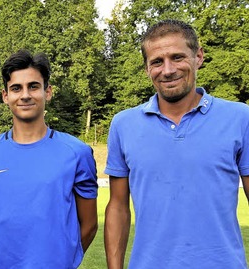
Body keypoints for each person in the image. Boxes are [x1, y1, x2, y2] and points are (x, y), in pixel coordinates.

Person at [104, 19, 249, 269]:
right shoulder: (123, 125)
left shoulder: (240, 117)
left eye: (177, 57)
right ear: (147, 68)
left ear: (198, 57)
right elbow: (117, 207)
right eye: (157, 62)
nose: (168, 70)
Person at [0, 50, 98, 268]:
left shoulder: (76, 152)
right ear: (5, 96)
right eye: (16, 88)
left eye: (34, 86)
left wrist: (63, 260)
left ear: (48, 92)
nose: (25, 95)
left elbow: (90, 225)